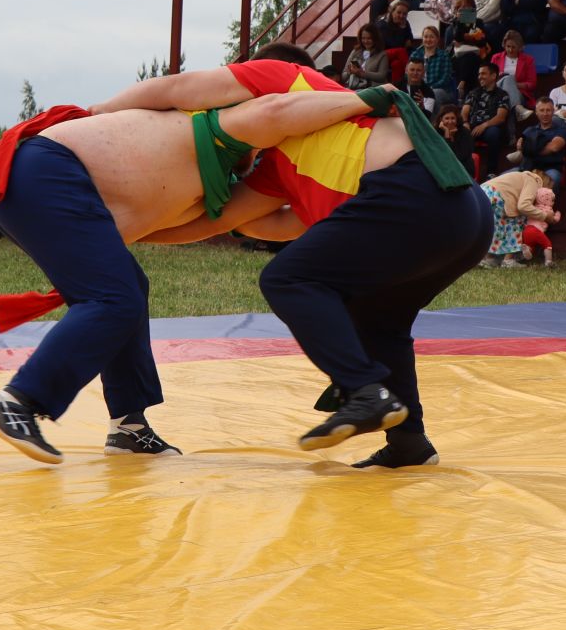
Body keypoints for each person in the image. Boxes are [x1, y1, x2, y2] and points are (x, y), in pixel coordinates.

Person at [78, 53, 491, 470]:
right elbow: (234, 222)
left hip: (417, 193)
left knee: (287, 278)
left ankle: (365, 391)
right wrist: (124, 233)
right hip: (464, 216)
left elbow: (175, 89)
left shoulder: (286, 77)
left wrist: (100, 111)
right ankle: (409, 443)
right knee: (378, 323)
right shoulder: (282, 161)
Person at [480, 168, 557, 269]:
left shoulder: (523, 177)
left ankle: (489, 259)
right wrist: (545, 216)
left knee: (496, 228)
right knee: (517, 221)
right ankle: (508, 260)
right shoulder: (534, 182)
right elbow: (523, 206)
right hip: (497, 196)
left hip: (484, 193)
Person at [462, 62, 511, 175]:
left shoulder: (502, 94)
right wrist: (465, 123)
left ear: (493, 76)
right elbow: (464, 111)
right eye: (479, 74)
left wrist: (484, 125)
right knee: (462, 132)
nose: (480, 77)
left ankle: (491, 171)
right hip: (472, 125)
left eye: (483, 74)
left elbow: (501, 117)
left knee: (493, 133)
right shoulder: (473, 92)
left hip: (490, 127)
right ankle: (467, 171)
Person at [513, 97, 566, 186]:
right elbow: (519, 145)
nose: (545, 114)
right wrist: (539, 147)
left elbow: (554, 147)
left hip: (550, 169)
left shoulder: (561, 130)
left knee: (550, 180)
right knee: (503, 178)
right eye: (542, 110)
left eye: (548, 110)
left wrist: (529, 148)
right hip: (528, 168)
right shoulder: (529, 130)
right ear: (536, 112)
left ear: (553, 111)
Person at [410, 22, 455, 104]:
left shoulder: (444, 56)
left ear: (437, 39)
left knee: (434, 94)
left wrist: (428, 89)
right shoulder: (415, 54)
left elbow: (445, 79)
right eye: (426, 37)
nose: (428, 40)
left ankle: (431, 117)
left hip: (441, 90)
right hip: (419, 88)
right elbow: (409, 74)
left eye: (431, 37)